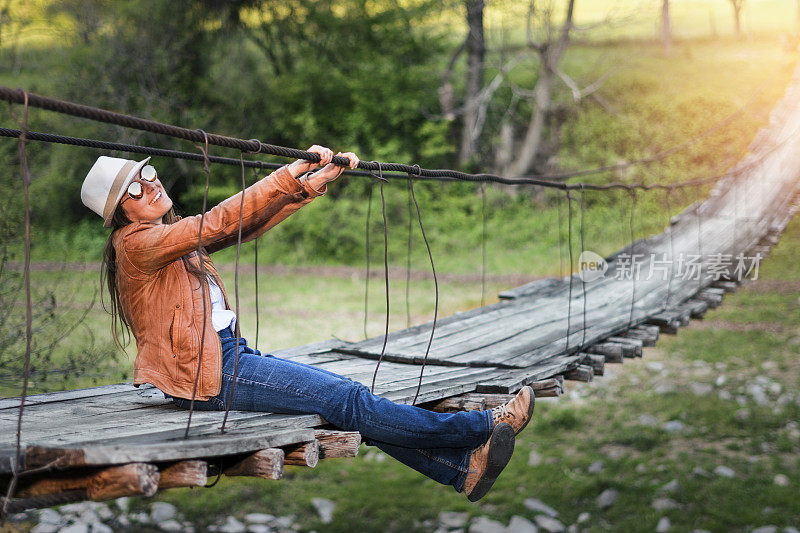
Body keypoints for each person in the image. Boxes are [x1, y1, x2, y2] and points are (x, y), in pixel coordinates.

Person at [80, 146, 535, 501]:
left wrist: (313, 181)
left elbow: (243, 227)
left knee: (343, 403)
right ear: (120, 213)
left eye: (148, 175)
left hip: (227, 359)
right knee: (347, 398)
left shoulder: (166, 240)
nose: (149, 186)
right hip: (208, 375)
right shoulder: (138, 244)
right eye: (133, 190)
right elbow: (217, 221)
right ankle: (480, 427)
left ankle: (459, 471)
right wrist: (291, 170)